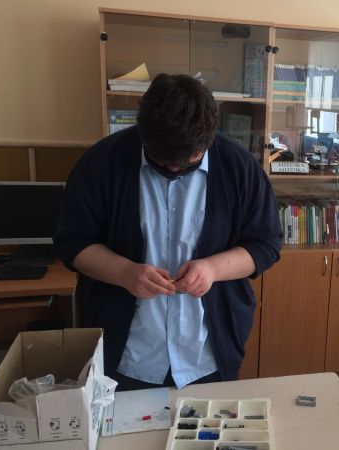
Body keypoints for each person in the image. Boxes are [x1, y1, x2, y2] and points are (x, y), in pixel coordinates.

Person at [54, 73, 282, 390]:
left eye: (188, 160)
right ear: (143, 134)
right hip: (126, 354)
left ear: (208, 138)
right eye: (162, 159)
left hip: (208, 353)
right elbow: (72, 242)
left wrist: (212, 269)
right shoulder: (101, 164)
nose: (174, 167)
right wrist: (124, 272)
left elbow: (265, 244)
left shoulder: (240, 169)